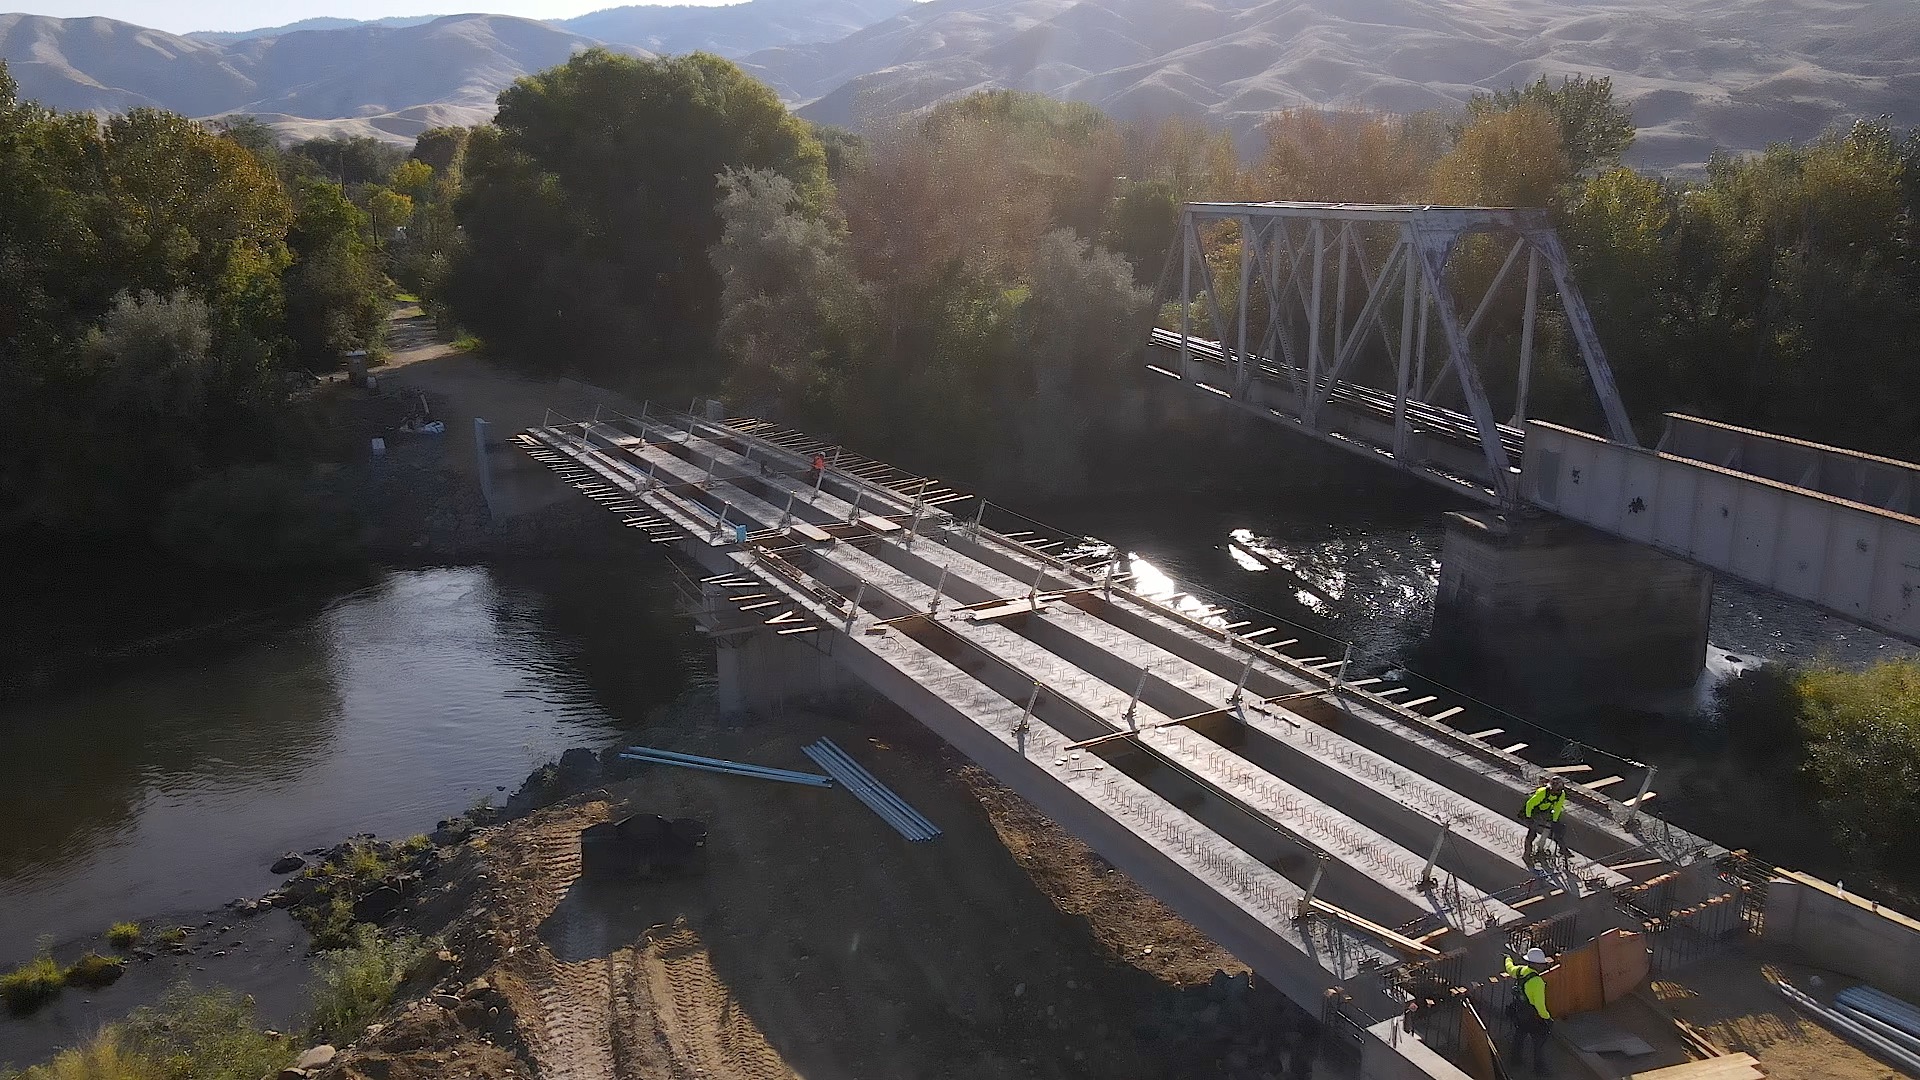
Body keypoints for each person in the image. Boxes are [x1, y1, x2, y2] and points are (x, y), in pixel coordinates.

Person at [1505, 946, 1553, 1072]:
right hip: (1533, 1017)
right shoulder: (1537, 982)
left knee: (1519, 1036)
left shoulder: (1520, 970)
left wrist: (1508, 958)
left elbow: (1509, 968)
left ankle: (1515, 1060)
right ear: (1536, 964)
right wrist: (1547, 1018)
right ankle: (1539, 1069)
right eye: (1541, 964)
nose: (1543, 966)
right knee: (1538, 1043)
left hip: (1519, 1011)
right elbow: (1539, 1005)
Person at [1522, 776, 1568, 865]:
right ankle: (1526, 855)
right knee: (1532, 834)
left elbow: (1558, 808)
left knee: (1553, 829)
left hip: (1546, 810)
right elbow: (1529, 804)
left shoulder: (1561, 795)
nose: (1556, 792)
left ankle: (1540, 849)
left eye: (1558, 790)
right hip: (1534, 811)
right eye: (1554, 790)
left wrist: (1554, 821)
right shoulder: (1542, 792)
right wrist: (1528, 817)